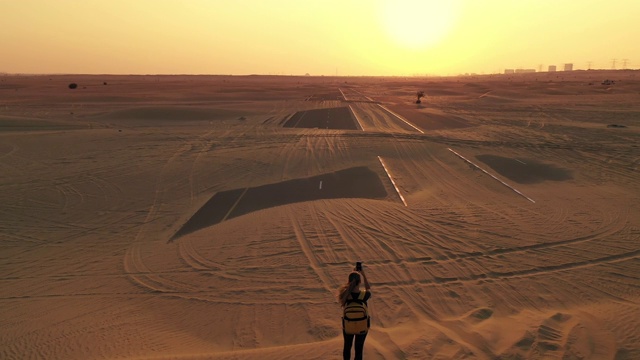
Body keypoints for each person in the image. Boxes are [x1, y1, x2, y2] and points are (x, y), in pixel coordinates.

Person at [337, 265, 371, 360]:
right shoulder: (364, 295)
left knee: (347, 347)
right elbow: (368, 288)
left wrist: (353, 274)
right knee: (359, 349)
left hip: (348, 326)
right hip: (362, 326)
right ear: (360, 282)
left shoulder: (345, 295)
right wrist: (363, 275)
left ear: (349, 282)